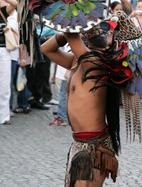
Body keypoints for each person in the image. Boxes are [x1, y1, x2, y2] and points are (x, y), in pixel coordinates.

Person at [41, 25, 119, 186]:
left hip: (94, 147)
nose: (98, 32)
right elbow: (46, 49)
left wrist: (76, 23)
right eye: (96, 29)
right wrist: (64, 33)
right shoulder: (78, 60)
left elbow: (73, 35)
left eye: (103, 31)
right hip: (81, 144)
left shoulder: (97, 63)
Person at [0, 0, 17, 125]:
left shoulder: (2, 12)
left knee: (5, 85)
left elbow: (16, 4)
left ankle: (4, 116)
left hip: (4, 50)